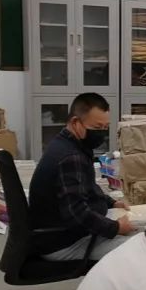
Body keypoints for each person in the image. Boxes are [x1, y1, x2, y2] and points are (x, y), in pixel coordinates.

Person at [29, 93, 134, 261]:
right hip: (63, 243)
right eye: (97, 128)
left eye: (105, 128)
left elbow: (87, 188)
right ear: (75, 122)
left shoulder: (68, 144)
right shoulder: (70, 157)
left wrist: (112, 202)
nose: (101, 134)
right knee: (141, 247)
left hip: (65, 234)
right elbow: (76, 213)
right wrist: (115, 228)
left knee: (138, 233)